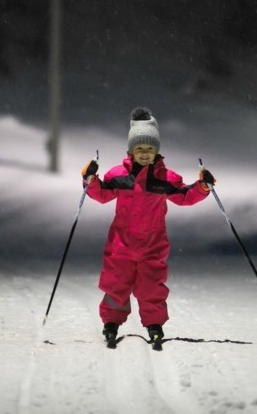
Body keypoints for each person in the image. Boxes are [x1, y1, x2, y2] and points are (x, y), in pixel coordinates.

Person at [81, 106, 216, 347]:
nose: (144, 153)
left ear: (157, 151)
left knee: (151, 286)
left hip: (153, 245)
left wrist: (203, 187)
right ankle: (111, 322)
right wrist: (90, 180)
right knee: (116, 284)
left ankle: (155, 325)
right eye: (140, 149)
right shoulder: (118, 175)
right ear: (131, 151)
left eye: (149, 149)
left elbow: (185, 196)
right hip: (120, 245)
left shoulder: (166, 179)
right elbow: (101, 194)